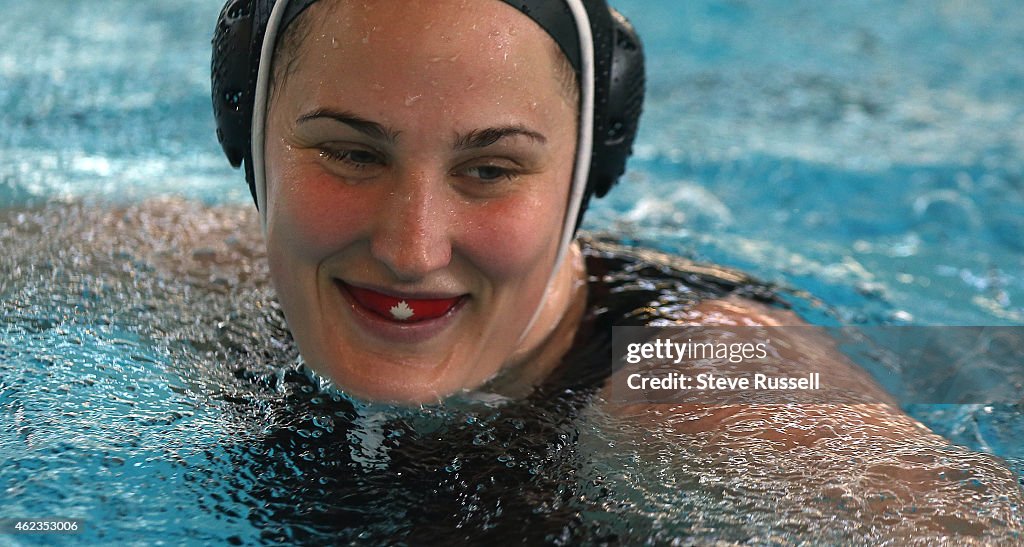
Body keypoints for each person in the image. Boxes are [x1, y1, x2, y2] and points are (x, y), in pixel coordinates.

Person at [211, 0, 1023, 536]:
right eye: (351, 154)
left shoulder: (695, 383)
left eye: (490, 170)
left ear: (580, 179)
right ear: (248, 143)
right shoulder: (214, 279)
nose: (410, 248)